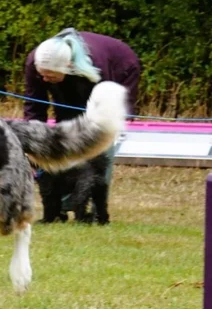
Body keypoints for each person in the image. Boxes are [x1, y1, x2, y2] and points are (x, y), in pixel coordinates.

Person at [23, 28, 141, 225]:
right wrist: (33, 143)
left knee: (98, 147)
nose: (44, 80)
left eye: (49, 76)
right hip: (72, 75)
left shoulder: (99, 67)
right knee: (65, 133)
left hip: (117, 74)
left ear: (68, 66)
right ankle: (59, 209)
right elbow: (34, 105)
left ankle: (97, 212)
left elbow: (98, 121)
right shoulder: (35, 62)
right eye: (42, 75)